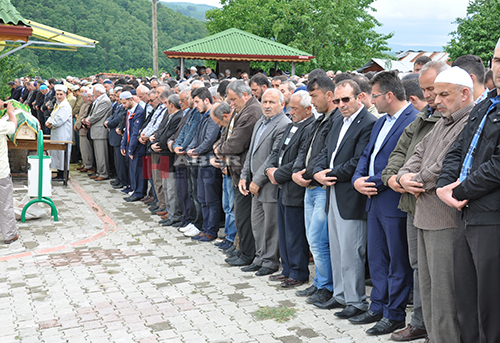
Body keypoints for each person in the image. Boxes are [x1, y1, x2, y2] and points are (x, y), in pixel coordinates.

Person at [398, 66, 474, 343]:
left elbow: (444, 166)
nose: (436, 99)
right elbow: (417, 152)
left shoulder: (469, 120)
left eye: (444, 94)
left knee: (444, 293)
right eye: (435, 93)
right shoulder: (443, 119)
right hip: (423, 213)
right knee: (427, 289)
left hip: (445, 219)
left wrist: (412, 180)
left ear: (464, 94)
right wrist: (404, 176)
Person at [435, 38, 500, 343]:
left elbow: (497, 166)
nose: (499, 68)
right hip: (467, 214)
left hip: (492, 218)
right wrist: (443, 187)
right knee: (467, 301)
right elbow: (457, 150)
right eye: (497, 60)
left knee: (491, 306)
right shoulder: (485, 104)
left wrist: (458, 191)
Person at [381, 60, 450, 342]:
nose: (429, 96)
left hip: (435, 207)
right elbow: (401, 155)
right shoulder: (423, 117)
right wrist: (394, 179)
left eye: (433, 89)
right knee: (418, 267)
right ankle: (421, 323)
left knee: (436, 273)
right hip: (411, 202)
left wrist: (410, 178)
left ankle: (435, 328)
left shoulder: (451, 118)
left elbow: (439, 162)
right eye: (425, 90)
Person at [351, 71, 418, 336]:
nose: (371, 101)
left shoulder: (413, 120)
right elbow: (367, 154)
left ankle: (394, 314)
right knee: (377, 257)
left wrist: (374, 181)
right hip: (373, 199)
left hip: (393, 199)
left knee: (396, 260)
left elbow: (404, 161)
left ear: (389, 95)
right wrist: (357, 179)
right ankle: (377, 305)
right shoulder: (380, 122)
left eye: (375, 95)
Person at [312, 80, 377, 317]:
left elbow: (359, 160)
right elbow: (325, 151)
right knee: (338, 250)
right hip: (332, 193)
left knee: (352, 252)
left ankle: (356, 301)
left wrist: (328, 174)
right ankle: (340, 296)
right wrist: (317, 171)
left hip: (351, 197)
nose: (341, 105)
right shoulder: (338, 120)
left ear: (359, 97)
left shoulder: (369, 123)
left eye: (346, 99)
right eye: (337, 101)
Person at [239, 88, 291, 275]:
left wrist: (258, 180)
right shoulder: (261, 121)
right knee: (257, 224)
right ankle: (259, 258)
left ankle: (269, 261)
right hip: (254, 182)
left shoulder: (284, 124)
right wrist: (245, 175)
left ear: (282, 104)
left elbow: (273, 157)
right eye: (265, 102)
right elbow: (251, 152)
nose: (267, 106)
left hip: (268, 185)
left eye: (272, 102)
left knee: (270, 225)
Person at [266, 90, 315, 287]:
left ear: (308, 109)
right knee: (284, 231)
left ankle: (298, 272)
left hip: (294, 187)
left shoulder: (310, 127)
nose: (290, 111)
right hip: (282, 187)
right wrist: (270, 168)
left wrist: (277, 174)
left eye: (295, 108)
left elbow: (299, 160)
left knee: (295, 233)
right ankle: (287, 268)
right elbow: (277, 150)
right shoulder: (292, 124)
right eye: (290, 107)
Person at [215, 81, 262, 266]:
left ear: (245, 94)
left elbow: (236, 143)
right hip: (236, 170)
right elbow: (226, 134)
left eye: (233, 99)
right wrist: (220, 147)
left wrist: (219, 151)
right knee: (240, 214)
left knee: (244, 215)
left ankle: (247, 253)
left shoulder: (252, 111)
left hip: (245, 170)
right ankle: (242, 249)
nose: (231, 103)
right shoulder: (240, 108)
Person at [83, 84, 112, 181]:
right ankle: (99, 171)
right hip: (96, 130)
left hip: (100, 130)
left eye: (94, 91)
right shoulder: (100, 100)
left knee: (101, 154)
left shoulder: (105, 101)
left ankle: (103, 173)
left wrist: (88, 120)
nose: (93, 93)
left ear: (98, 92)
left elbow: (98, 115)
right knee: (98, 154)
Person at [120, 91, 145, 202]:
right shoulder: (129, 111)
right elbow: (127, 130)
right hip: (130, 144)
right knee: (132, 170)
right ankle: (134, 189)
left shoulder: (139, 112)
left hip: (137, 146)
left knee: (137, 170)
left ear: (131, 100)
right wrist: (124, 145)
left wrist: (131, 149)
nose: (124, 106)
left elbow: (135, 132)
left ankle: (138, 192)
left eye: (125, 103)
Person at [0, 101, 19, 244]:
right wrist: (11, 112)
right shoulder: (1, 125)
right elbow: (12, 127)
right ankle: (9, 234)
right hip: (1, 172)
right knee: (5, 203)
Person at [46, 84, 73, 181]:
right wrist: (48, 121)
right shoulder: (58, 104)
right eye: (57, 94)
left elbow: (60, 119)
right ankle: (59, 172)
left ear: (65, 94)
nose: (59, 96)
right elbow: (52, 115)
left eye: (61, 94)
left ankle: (64, 173)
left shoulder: (65, 106)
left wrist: (51, 123)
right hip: (57, 133)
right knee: (57, 153)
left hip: (63, 134)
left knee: (62, 154)